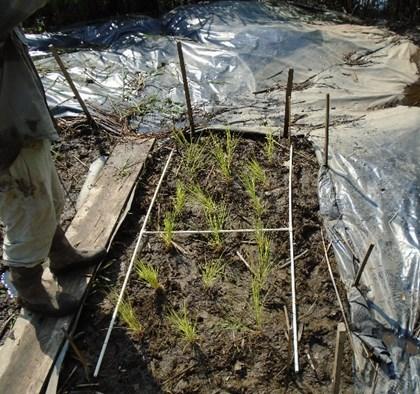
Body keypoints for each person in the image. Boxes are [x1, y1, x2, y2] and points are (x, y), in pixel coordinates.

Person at [0, 1, 106, 316]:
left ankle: (60, 254)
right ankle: (28, 287)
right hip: (6, 141)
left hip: (18, 124)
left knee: (50, 198)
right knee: (29, 213)